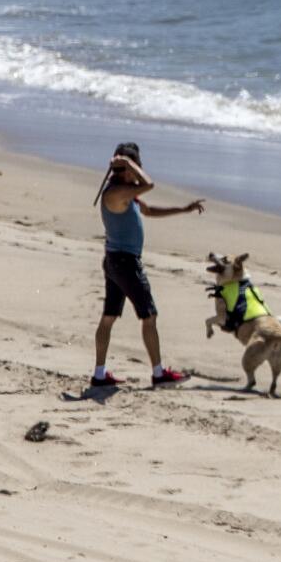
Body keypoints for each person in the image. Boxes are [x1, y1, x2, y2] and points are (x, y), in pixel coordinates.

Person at [91, 142, 203, 388]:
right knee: (149, 315)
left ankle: (99, 375)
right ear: (126, 169)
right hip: (124, 263)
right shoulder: (115, 193)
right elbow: (149, 185)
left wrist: (183, 209)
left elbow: (149, 210)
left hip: (114, 260)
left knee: (109, 317)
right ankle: (158, 373)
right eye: (137, 165)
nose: (140, 169)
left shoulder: (126, 192)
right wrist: (130, 165)